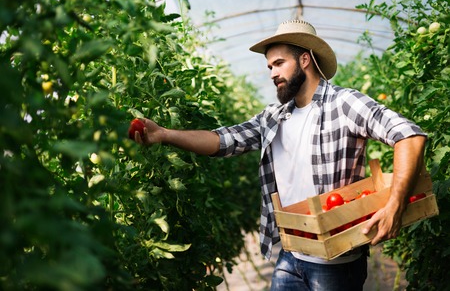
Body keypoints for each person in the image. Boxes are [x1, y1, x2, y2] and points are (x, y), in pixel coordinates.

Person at [130, 20, 427, 290]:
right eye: (269, 66)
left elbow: (409, 135)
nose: (272, 73)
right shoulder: (274, 117)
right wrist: (165, 135)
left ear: (305, 59)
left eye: (279, 63)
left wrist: (395, 205)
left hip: (336, 263)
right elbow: (222, 141)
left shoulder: (344, 103)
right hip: (290, 255)